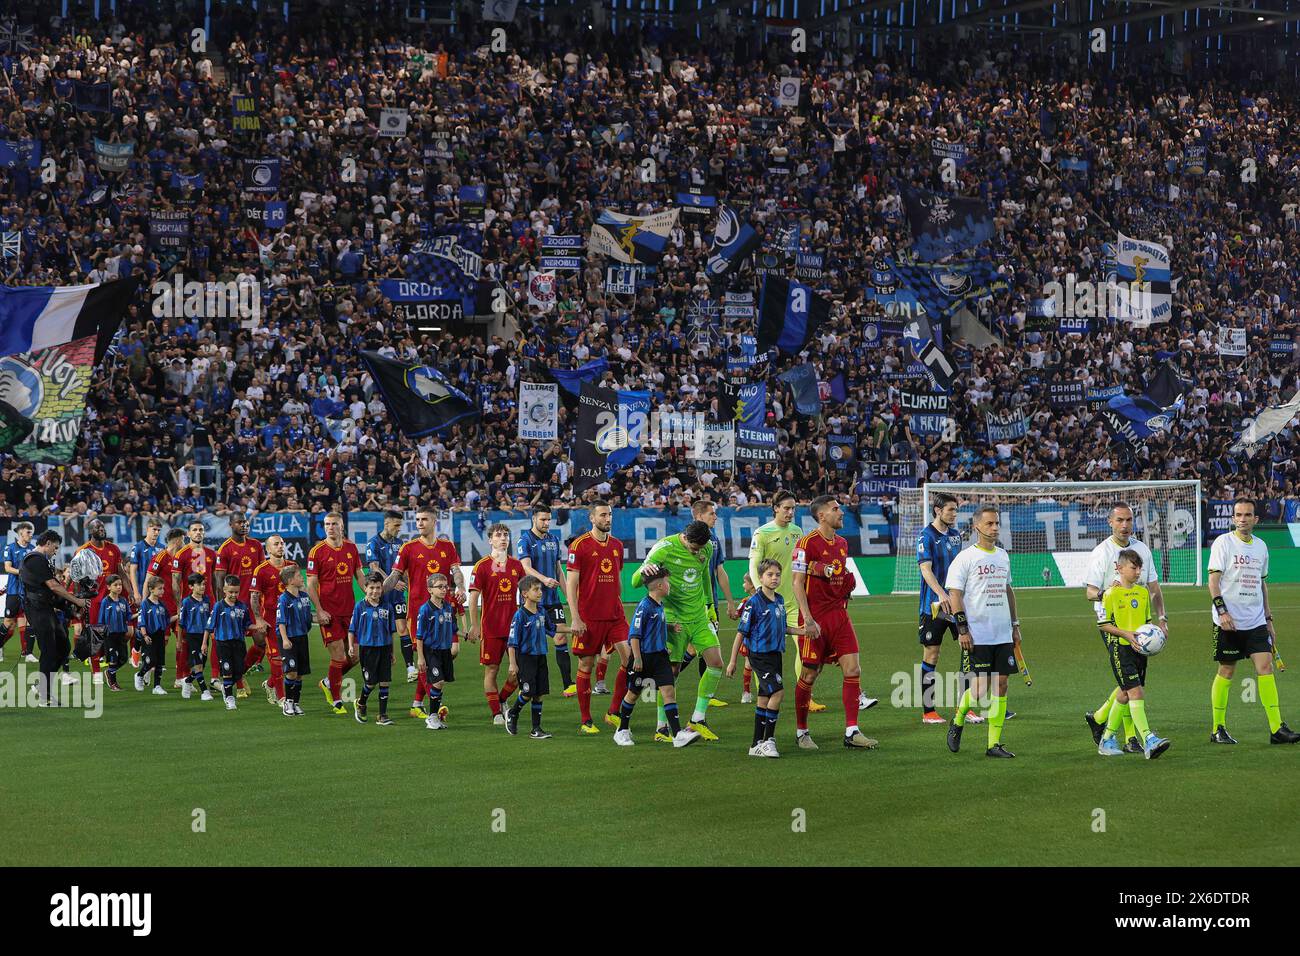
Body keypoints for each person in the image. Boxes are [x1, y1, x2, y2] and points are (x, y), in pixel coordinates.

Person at [1207, 498, 1299, 745]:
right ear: (1233, 518)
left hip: (1256, 620)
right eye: (1238, 514)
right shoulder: (1223, 543)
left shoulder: (1261, 547)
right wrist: (1222, 612)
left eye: (1248, 515)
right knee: (1226, 670)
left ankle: (1276, 728)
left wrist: (1269, 619)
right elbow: (1213, 581)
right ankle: (1218, 728)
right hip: (1228, 621)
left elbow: (1262, 584)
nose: (1243, 519)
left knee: (1265, 668)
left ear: (1256, 519)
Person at [791, 496, 877, 751]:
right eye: (835, 509)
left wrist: (845, 587)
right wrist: (807, 619)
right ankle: (802, 731)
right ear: (822, 516)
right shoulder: (805, 543)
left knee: (853, 670)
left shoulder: (841, 543)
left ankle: (852, 731)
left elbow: (837, 575)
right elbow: (797, 582)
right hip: (814, 617)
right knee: (809, 674)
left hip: (839, 616)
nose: (841, 512)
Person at [1082, 503, 1168, 751]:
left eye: (1129, 520)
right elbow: (1089, 591)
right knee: (1132, 684)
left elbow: (1154, 589)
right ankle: (1134, 738)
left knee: (1129, 683)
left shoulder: (1142, 550)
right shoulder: (1101, 552)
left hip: (1139, 623)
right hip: (1113, 624)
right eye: (1120, 520)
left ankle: (1100, 720)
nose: (1125, 525)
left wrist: (1162, 619)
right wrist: (1109, 594)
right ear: (1110, 522)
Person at [631, 520, 723, 742]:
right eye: (694, 548)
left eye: (700, 548)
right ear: (685, 537)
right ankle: (662, 727)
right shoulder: (664, 548)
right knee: (670, 674)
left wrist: (710, 607)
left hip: (699, 616)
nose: (697, 552)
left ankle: (697, 718)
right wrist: (644, 570)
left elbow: (704, 577)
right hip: (674, 619)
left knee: (716, 663)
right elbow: (635, 582)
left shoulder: (707, 547)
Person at [944, 506, 1021, 759]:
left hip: (1003, 633)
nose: (995, 527)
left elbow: (1008, 590)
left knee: (1002, 683)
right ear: (977, 526)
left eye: (997, 523)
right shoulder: (965, 558)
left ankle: (993, 744)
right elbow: (955, 595)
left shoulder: (1002, 556)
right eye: (989, 524)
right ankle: (957, 721)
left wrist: (1015, 625)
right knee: (978, 689)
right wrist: (962, 630)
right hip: (978, 634)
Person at [748, 490, 826, 712]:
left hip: (793, 602)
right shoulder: (762, 533)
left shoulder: (797, 531)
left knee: (806, 649)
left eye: (793, 508)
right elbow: (754, 566)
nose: (791, 512)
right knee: (764, 651)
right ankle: (765, 692)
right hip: (768, 602)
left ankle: (806, 696)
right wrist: (758, 594)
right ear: (775, 508)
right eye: (786, 508)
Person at [386, 507, 465, 713]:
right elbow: (395, 575)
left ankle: (418, 702)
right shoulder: (408, 548)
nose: (419, 523)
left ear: (434, 522)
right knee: (427, 656)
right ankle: (429, 702)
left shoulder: (447, 546)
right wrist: (381, 591)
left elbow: (456, 571)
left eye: (424, 519)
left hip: (444, 612)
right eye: (418, 520)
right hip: (419, 613)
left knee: (451, 651)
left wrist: (461, 586)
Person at [612, 566, 700, 748]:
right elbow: (634, 635)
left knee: (669, 692)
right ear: (660, 585)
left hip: (660, 658)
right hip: (643, 659)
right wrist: (637, 659)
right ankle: (622, 730)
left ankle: (677, 735)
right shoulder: (644, 606)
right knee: (633, 694)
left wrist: (669, 628)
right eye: (667, 582)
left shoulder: (659, 606)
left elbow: (655, 625)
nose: (669, 585)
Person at [1096, 550, 1171, 759]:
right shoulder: (1111, 594)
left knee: (1125, 693)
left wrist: (1153, 638)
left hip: (1139, 650)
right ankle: (1148, 739)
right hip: (1121, 649)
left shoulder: (1143, 592)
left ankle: (1107, 738)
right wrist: (1126, 635)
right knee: (1136, 693)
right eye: (1133, 567)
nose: (1138, 571)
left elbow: (1146, 622)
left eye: (1139, 567)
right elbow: (1103, 625)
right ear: (1119, 568)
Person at [565, 501, 629, 733]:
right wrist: (575, 617)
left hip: (615, 614)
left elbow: (617, 578)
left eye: (610, 514)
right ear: (592, 518)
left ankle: (613, 712)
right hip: (589, 617)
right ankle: (586, 720)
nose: (607, 519)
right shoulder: (579, 546)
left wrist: (617, 598)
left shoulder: (617, 545)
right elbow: (571, 584)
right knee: (586, 665)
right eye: (603, 515)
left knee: (630, 660)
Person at [738, 559, 804, 758]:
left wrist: (802, 632)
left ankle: (756, 744)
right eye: (770, 574)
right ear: (760, 577)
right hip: (759, 655)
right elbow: (741, 632)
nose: (774, 578)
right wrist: (733, 661)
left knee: (764, 698)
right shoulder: (753, 603)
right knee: (778, 693)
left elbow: (783, 628)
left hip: (775, 654)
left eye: (777, 574)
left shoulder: (780, 600)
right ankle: (769, 740)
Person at [916, 492, 968, 725]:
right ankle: (929, 712)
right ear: (938, 510)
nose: (954, 514)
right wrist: (941, 592)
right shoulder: (926, 536)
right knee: (932, 654)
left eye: (955, 510)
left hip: (956, 604)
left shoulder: (956, 536)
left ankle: (966, 707)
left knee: (969, 651)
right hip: (934, 607)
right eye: (950, 510)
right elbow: (925, 569)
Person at [308, 512, 367, 715]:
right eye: (327, 524)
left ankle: (328, 682)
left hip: (350, 611)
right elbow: (311, 584)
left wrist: (369, 593)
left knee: (356, 656)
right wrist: (319, 610)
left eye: (334, 524)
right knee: (339, 655)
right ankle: (336, 700)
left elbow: (359, 575)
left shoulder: (351, 548)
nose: (330, 527)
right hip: (329, 614)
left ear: (342, 526)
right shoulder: (316, 552)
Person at [21, 530, 89, 705]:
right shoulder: (35, 559)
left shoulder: (42, 561)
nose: (56, 551)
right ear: (48, 543)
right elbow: (53, 586)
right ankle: (44, 695)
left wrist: (70, 609)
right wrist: (77, 601)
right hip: (37, 609)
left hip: (46, 608)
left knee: (63, 647)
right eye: (56, 547)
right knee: (49, 650)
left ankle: (41, 686)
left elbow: (52, 591)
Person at [466, 523, 524, 724]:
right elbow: (473, 599)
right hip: (491, 629)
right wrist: (474, 625)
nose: (503, 538)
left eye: (506, 534)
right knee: (492, 670)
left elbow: (526, 594)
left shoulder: (517, 566)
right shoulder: (481, 566)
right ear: (490, 540)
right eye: (498, 535)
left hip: (515, 630)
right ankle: (496, 713)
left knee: (518, 672)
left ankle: (501, 700)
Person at [516, 503, 573, 696]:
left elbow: (559, 570)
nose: (547, 523)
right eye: (543, 519)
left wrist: (569, 597)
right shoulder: (525, 540)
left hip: (552, 599)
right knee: (530, 642)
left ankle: (568, 685)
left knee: (560, 636)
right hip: (533, 601)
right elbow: (526, 567)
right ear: (534, 519)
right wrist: (544, 580)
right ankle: (523, 681)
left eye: (549, 519)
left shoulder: (554, 540)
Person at [215, 514, 265, 696]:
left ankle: (240, 672)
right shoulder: (225, 549)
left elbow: (263, 573)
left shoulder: (256, 545)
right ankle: (238, 682)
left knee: (261, 641)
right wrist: (224, 606)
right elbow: (219, 580)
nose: (244, 525)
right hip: (234, 605)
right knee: (237, 645)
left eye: (245, 522)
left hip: (253, 604)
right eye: (239, 522)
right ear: (231, 524)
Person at [366, 510, 414, 682]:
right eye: (396, 525)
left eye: (400, 525)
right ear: (386, 524)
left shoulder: (400, 543)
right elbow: (374, 568)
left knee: (402, 628)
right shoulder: (374, 543)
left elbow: (404, 569)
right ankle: (379, 667)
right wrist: (392, 581)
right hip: (381, 594)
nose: (399, 529)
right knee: (384, 632)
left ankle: (410, 668)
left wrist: (410, 583)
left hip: (397, 595)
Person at [503, 576, 553, 739]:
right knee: (527, 692)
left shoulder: (542, 611)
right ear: (525, 593)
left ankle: (536, 729)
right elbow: (512, 642)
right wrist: (512, 664)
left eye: (540, 589)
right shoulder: (520, 616)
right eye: (536, 589)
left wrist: (574, 629)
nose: (540, 592)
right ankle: (513, 712)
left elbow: (552, 629)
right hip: (525, 658)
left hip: (541, 657)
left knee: (539, 693)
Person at [250, 535, 296, 706]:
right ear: (268, 550)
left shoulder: (292, 566)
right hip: (271, 619)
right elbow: (254, 596)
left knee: (292, 661)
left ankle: (270, 684)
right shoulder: (261, 570)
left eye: (282, 543)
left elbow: (300, 589)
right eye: (276, 544)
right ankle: (281, 697)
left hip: (291, 619)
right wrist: (259, 618)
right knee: (277, 659)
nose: (280, 546)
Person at [75, 519, 123, 683]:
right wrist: (78, 601)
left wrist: (130, 592)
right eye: (97, 527)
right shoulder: (83, 551)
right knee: (95, 635)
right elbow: (77, 579)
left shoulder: (113, 549)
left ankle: (106, 663)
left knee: (118, 634)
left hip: (112, 599)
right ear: (90, 531)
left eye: (102, 526)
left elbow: (120, 572)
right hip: (94, 600)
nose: (101, 529)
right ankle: (96, 672)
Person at [348, 572, 396, 726]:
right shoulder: (360, 606)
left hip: (385, 648)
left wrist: (392, 652)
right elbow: (352, 629)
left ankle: (382, 715)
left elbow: (390, 631)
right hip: (367, 649)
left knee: (385, 682)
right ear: (365, 588)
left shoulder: (387, 607)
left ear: (382, 589)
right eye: (371, 588)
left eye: (378, 588)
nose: (375, 591)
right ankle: (361, 703)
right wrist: (350, 646)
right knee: (370, 682)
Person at [415, 573, 459, 730]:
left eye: (445, 586)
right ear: (430, 590)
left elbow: (454, 628)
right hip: (431, 650)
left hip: (444, 650)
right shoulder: (425, 610)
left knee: (441, 683)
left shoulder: (447, 607)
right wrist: (420, 657)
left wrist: (468, 635)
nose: (443, 589)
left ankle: (435, 717)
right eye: (439, 587)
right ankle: (432, 717)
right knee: (438, 681)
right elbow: (419, 636)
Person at [144, 529, 185, 688]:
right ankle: (148, 667)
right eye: (183, 540)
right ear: (177, 541)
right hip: (162, 607)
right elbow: (148, 580)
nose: (185, 543)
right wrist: (146, 604)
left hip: (179, 606)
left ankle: (179, 677)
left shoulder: (183, 558)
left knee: (182, 640)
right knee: (163, 641)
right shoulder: (160, 557)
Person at [205, 574, 252, 711]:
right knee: (227, 671)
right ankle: (230, 698)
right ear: (224, 590)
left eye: (236, 592)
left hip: (239, 643)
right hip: (223, 643)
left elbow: (247, 624)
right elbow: (209, 626)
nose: (233, 595)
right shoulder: (219, 606)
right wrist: (204, 644)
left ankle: (225, 688)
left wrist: (258, 627)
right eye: (230, 592)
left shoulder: (242, 607)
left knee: (239, 671)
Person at [277, 565, 316, 717]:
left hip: (302, 637)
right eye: (299, 576)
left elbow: (308, 616)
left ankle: (296, 703)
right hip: (288, 638)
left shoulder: (304, 596)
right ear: (290, 581)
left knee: (299, 673)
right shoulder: (284, 599)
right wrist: (285, 639)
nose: (302, 578)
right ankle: (288, 702)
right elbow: (281, 621)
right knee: (291, 672)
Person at [1, 521, 36, 662]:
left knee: (29, 621)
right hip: (14, 591)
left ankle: (27, 653)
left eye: (31, 533)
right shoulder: (10, 548)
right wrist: (23, 573)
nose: (30, 535)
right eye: (28, 532)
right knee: (9, 622)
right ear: (20, 532)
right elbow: (8, 568)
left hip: (28, 591)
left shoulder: (33, 549)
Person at [179, 573, 214, 701]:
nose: (202, 587)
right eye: (199, 584)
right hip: (192, 636)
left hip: (204, 636)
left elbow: (209, 620)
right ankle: (205, 691)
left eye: (204, 584)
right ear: (191, 586)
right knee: (198, 665)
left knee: (202, 665)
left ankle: (187, 681)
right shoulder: (187, 602)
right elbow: (181, 623)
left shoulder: (207, 600)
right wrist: (178, 641)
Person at [96, 574, 133, 693]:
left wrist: (138, 614)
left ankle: (109, 672)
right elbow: (101, 619)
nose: (118, 587)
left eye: (120, 585)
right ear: (108, 587)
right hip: (109, 635)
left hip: (121, 633)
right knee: (113, 658)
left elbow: (128, 616)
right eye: (115, 585)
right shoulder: (105, 602)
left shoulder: (123, 600)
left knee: (123, 658)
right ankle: (113, 683)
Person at [136, 578, 173, 695]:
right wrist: (145, 634)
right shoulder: (145, 604)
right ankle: (139, 675)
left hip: (160, 636)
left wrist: (178, 616)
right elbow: (141, 621)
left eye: (163, 588)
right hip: (149, 635)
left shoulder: (162, 605)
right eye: (160, 588)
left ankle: (157, 686)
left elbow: (167, 620)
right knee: (151, 660)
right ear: (151, 590)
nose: (162, 591)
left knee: (160, 662)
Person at [725, 573, 757, 703]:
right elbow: (736, 615)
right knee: (748, 664)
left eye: (745, 582)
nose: (743, 585)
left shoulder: (762, 599)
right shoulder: (745, 601)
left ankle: (750, 692)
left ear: (752, 584)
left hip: (760, 638)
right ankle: (746, 692)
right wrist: (731, 612)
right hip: (749, 638)